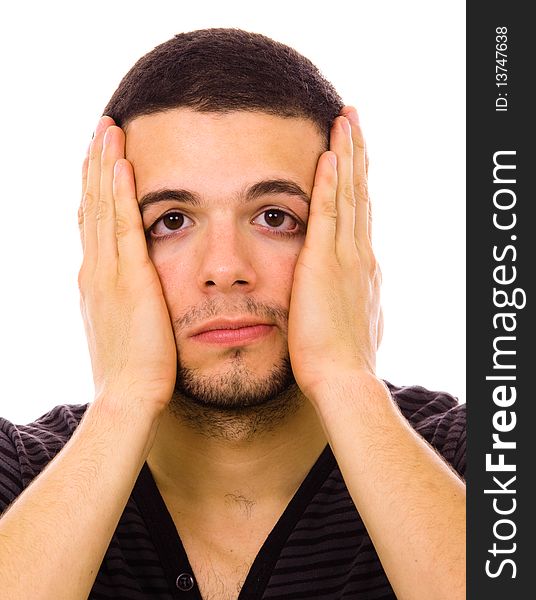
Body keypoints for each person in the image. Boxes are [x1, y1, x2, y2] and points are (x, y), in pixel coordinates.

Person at [0, 28, 465, 599]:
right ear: (106, 249)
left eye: (274, 217)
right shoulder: (18, 475)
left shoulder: (469, 452)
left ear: (346, 236)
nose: (224, 268)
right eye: (170, 221)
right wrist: (124, 396)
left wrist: (347, 380)